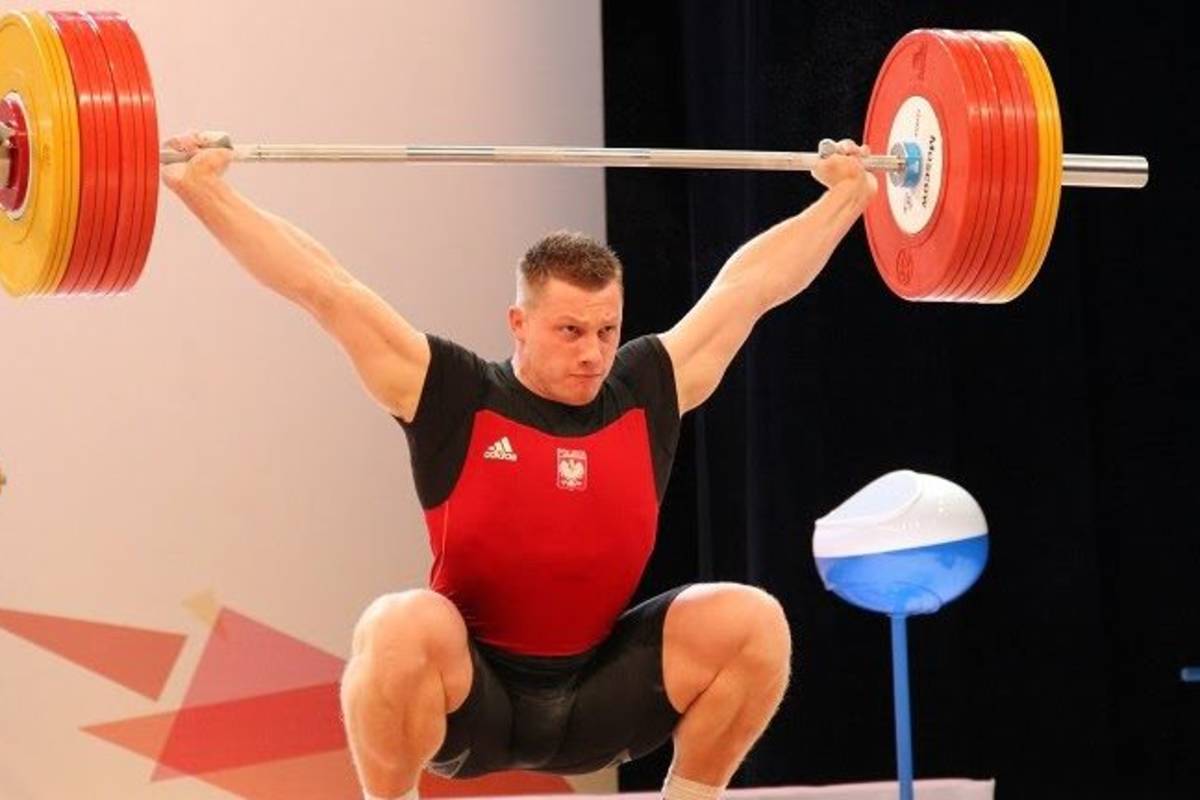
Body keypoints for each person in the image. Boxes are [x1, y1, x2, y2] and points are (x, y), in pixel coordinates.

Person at [162, 131, 878, 800]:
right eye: (569, 330)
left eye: (607, 330)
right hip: (474, 700)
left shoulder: (646, 389)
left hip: (603, 691)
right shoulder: (453, 392)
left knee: (753, 622)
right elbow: (322, 287)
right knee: (398, 626)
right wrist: (205, 191)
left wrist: (844, 200)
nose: (592, 353)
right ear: (519, 324)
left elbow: (749, 288)